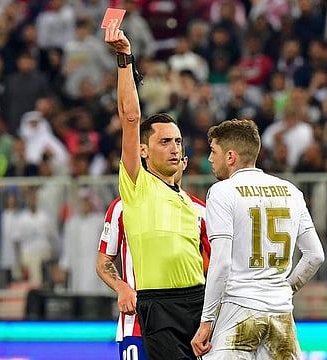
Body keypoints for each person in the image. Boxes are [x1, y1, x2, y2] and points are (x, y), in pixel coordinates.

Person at [104, 20, 206, 359]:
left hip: (200, 301)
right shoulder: (137, 186)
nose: (174, 147)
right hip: (158, 306)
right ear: (144, 151)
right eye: (164, 142)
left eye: (178, 141)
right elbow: (130, 117)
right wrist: (125, 60)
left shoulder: (196, 205)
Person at [191, 119, 325, 359]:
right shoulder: (291, 191)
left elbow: (221, 262)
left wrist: (206, 321)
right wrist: (284, 288)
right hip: (281, 314)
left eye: (214, 152)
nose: (210, 159)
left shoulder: (223, 192)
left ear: (230, 156)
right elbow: (315, 255)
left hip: (238, 311)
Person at [96, 154, 210, 360]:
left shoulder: (201, 211)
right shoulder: (123, 207)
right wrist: (122, 288)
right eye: (164, 146)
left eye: (177, 147)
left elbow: (214, 268)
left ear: (185, 162)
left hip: (187, 322)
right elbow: (104, 260)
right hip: (137, 322)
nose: (172, 155)